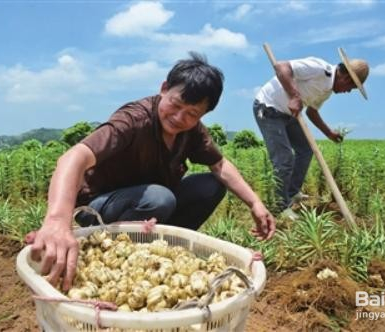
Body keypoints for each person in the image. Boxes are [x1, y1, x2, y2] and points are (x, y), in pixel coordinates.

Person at [29, 52, 276, 292]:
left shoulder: (193, 131)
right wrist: (57, 221)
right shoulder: (134, 119)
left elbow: (220, 165)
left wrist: (255, 203)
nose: (179, 117)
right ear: (164, 88)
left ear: (204, 114)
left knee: (211, 185)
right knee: (160, 197)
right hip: (102, 207)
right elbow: (73, 157)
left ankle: (162, 250)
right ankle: (112, 250)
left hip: (151, 206)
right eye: (175, 104)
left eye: (192, 114)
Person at [253, 47, 369, 216]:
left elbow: (311, 112)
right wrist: (294, 96)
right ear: (345, 77)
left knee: (306, 149)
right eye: (351, 87)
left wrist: (329, 133)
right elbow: (281, 67)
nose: (348, 92)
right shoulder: (319, 69)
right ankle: (280, 206)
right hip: (268, 108)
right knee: (284, 158)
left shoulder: (327, 91)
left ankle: (292, 192)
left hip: (288, 113)